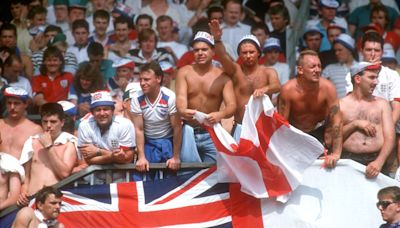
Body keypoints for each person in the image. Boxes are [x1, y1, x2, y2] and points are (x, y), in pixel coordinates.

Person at [209, 20, 280, 141]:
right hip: (240, 127)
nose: (248, 56)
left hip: (263, 127)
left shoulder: (268, 71)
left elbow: (277, 86)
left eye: (251, 52)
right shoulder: (236, 71)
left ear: (258, 53)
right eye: (244, 53)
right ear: (239, 55)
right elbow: (222, 57)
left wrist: (265, 88)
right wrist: (217, 40)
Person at [176, 31, 236, 162]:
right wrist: (182, 110)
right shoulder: (184, 72)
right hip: (189, 130)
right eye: (196, 50)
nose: (200, 53)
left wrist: (220, 114)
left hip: (212, 131)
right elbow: (180, 98)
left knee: (215, 174)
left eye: (204, 49)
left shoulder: (222, 76)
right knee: (187, 174)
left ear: (213, 52)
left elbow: (232, 105)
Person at [278, 50, 343, 168]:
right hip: (295, 133)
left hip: (320, 132)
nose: (317, 70)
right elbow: (281, 125)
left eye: (319, 66)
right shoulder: (287, 90)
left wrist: (336, 153)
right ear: (300, 70)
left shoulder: (328, 88)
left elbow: (337, 120)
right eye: (312, 67)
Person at [340, 62, 394, 178]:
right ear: (358, 79)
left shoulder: (382, 104)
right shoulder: (341, 105)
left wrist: (379, 161)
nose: (376, 82)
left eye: (376, 78)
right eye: (371, 77)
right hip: (348, 162)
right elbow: (331, 139)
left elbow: (390, 137)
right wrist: (354, 124)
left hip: (376, 161)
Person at [18, 103, 78, 206]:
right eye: (45, 121)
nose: (48, 125)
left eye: (53, 122)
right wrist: (23, 192)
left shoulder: (69, 143)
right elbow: (26, 177)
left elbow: (64, 174)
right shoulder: (32, 142)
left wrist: (49, 147)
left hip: (55, 203)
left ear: (62, 122)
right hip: (33, 200)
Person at [130, 61, 181, 180]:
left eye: (147, 79)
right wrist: (141, 157)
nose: (142, 83)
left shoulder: (170, 97)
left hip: (168, 141)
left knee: (169, 177)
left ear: (158, 78)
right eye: (141, 79)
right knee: (141, 175)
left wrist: (176, 156)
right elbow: (139, 129)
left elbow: (177, 127)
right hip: (148, 142)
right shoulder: (137, 98)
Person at [77, 90, 135, 183]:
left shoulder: (125, 124)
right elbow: (87, 160)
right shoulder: (84, 125)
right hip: (93, 177)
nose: (102, 113)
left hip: (121, 177)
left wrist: (97, 151)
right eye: (98, 110)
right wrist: (113, 156)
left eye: (106, 109)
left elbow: (127, 159)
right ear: (92, 112)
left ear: (112, 110)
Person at [0, 87, 42, 160]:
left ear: (25, 104)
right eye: (9, 103)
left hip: (22, 170)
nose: (12, 107)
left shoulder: (35, 129)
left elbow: (38, 160)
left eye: (16, 103)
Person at [322, 33, 358, 98]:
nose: (336, 53)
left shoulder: (361, 68)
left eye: (340, 50)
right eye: (335, 50)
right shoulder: (329, 69)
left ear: (350, 50)